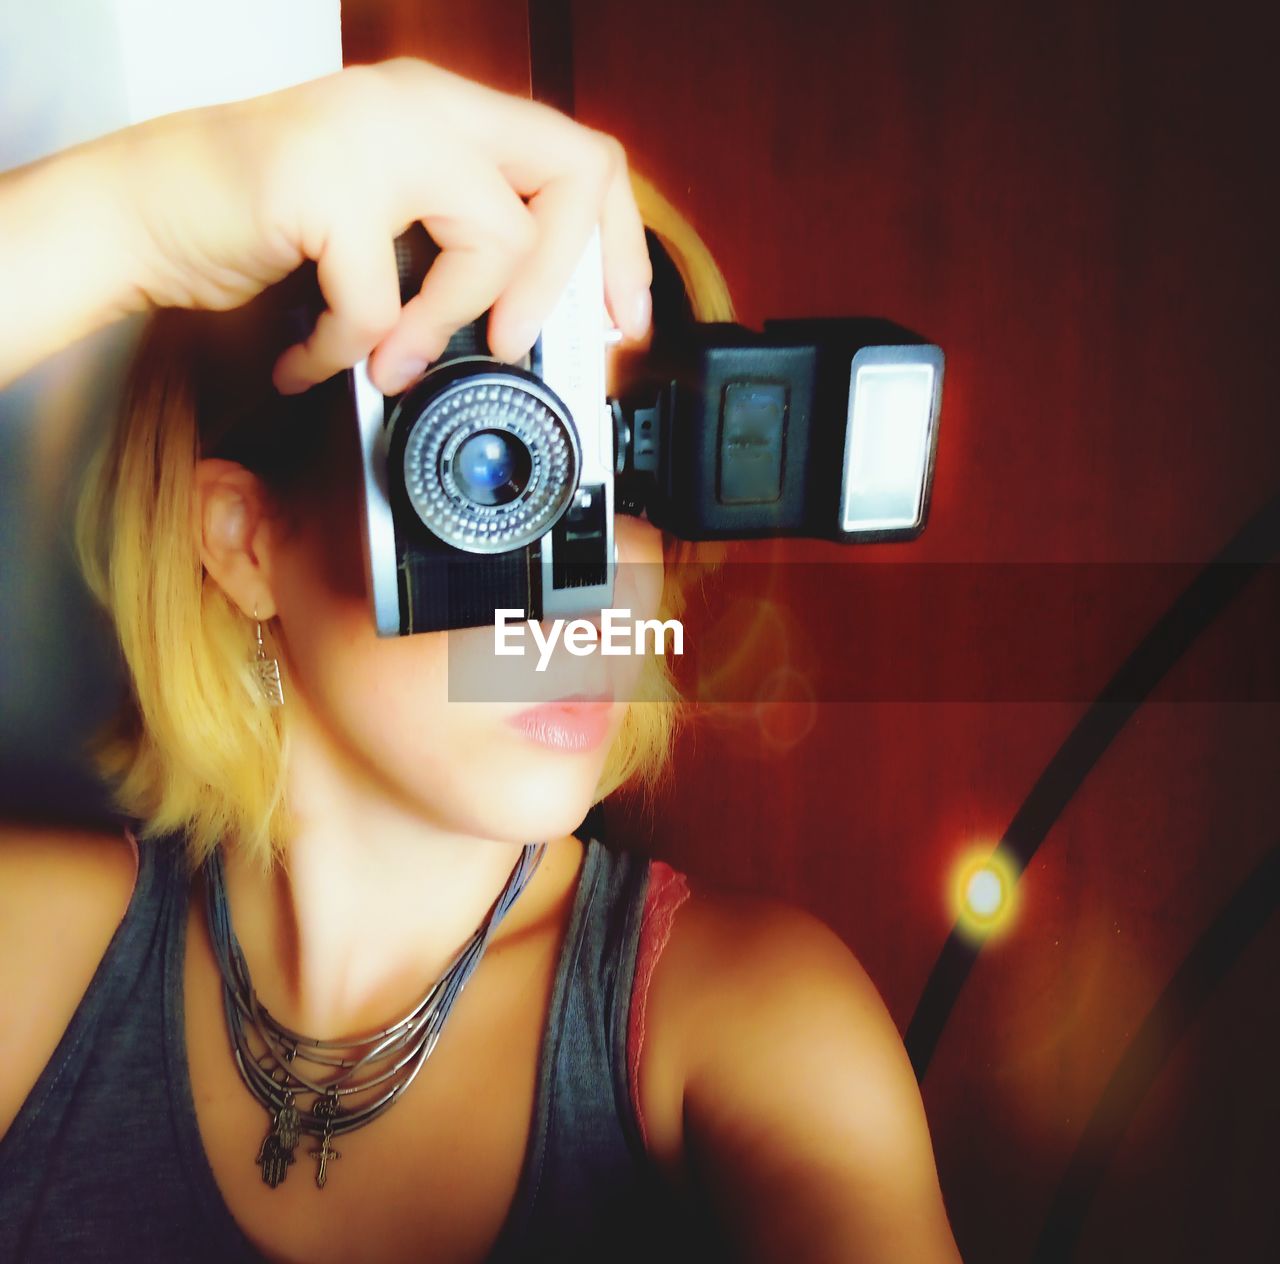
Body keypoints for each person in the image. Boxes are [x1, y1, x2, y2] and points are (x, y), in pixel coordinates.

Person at [0, 57, 964, 1262]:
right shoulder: (36, 964)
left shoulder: (745, 1026)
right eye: (498, 470)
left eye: (634, 482)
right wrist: (136, 213)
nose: (596, 579)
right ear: (248, 542)